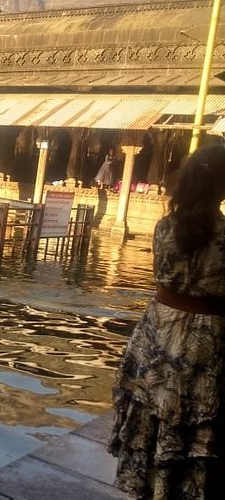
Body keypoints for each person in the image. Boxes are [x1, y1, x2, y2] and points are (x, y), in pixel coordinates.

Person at [108, 144, 225, 499]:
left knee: (155, 408)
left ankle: (151, 486)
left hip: (158, 329)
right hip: (208, 337)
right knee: (196, 417)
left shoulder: (163, 228)